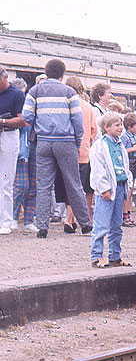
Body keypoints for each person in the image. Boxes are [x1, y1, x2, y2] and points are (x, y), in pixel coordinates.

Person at [22, 59, 92, 238]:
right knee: (73, 183)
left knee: (44, 185)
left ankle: (43, 228)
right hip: (66, 142)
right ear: (62, 74)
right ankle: (85, 225)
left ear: (46, 72)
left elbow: (27, 115)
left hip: (43, 142)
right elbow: (77, 121)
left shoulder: (35, 91)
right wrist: (77, 142)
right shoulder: (69, 92)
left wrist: (41, 123)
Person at [89, 112, 132, 268]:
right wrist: (104, 188)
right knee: (101, 224)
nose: (120, 128)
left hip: (119, 187)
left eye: (121, 125)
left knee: (116, 225)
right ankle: (96, 256)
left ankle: (115, 256)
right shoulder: (99, 146)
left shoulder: (119, 144)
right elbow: (98, 169)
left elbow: (124, 165)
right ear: (106, 128)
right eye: (117, 125)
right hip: (106, 190)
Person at [64, 77, 96, 233]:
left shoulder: (65, 105)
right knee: (80, 187)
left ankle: (69, 219)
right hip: (84, 152)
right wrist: (87, 141)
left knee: (69, 185)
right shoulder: (87, 107)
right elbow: (94, 130)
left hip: (66, 150)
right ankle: (73, 219)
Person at [0, 65, 27, 235]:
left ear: (5, 77)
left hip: (9, 136)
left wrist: (3, 122)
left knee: (6, 180)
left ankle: (5, 220)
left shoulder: (17, 94)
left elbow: (22, 121)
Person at [10, 78, 37, 232]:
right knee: (21, 185)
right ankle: (13, 216)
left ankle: (28, 219)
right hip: (21, 148)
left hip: (31, 145)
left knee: (33, 185)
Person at [120, 112, 136, 226]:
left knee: (130, 191)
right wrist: (133, 149)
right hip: (129, 164)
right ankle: (124, 214)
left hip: (134, 165)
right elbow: (122, 151)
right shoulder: (125, 137)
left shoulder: (134, 137)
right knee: (127, 190)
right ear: (129, 126)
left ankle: (128, 213)